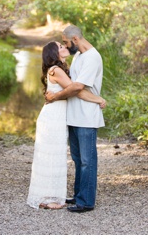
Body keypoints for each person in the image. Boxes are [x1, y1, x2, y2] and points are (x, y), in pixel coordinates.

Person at [27, 41, 106, 210]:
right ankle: (48, 198)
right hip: (53, 117)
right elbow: (75, 90)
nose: (65, 47)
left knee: (54, 156)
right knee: (51, 156)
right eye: (60, 47)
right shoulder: (56, 70)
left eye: (64, 45)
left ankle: (49, 197)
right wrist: (98, 99)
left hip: (59, 116)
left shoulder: (60, 68)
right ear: (54, 54)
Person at [44, 25, 104, 212]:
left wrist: (55, 96)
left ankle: (86, 202)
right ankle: (78, 196)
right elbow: (70, 84)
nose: (65, 46)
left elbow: (77, 87)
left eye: (66, 42)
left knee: (88, 160)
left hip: (86, 115)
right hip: (73, 116)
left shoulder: (92, 58)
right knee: (78, 159)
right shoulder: (79, 56)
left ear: (75, 40)